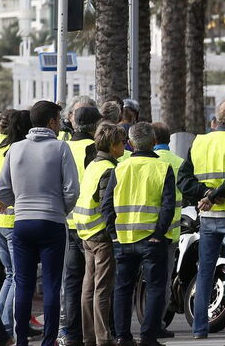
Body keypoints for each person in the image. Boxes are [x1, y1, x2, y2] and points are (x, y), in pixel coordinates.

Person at [0, 100, 79, 346]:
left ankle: (21, 340)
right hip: (52, 223)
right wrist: (59, 209)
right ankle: (48, 340)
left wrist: (18, 204)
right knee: (53, 284)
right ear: (52, 122)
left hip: (22, 223)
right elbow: (72, 190)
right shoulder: (60, 148)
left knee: (23, 283)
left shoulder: (15, 149)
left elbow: (2, 189)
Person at [177, 99, 225, 338]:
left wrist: (205, 194)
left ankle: (199, 328)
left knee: (205, 272)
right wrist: (215, 194)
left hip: (207, 215)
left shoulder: (199, 141)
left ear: (216, 119)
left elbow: (184, 180)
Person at [102, 122, 176, 346]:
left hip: (124, 240)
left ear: (131, 144)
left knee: (123, 288)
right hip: (151, 239)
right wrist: (159, 233)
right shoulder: (163, 168)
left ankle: (123, 336)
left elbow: (106, 206)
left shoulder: (119, 168)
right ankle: (148, 337)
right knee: (154, 288)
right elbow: (167, 206)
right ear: (154, 142)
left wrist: (114, 234)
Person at [75, 123, 125, 346]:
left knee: (89, 287)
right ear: (113, 146)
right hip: (101, 235)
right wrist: (113, 234)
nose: (125, 146)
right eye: (122, 142)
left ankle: (89, 337)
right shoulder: (109, 169)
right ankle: (103, 338)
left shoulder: (93, 165)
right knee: (102, 289)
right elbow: (107, 205)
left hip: (85, 232)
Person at [62, 106, 101, 346]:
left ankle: (72, 332)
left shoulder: (63, 147)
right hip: (91, 224)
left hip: (67, 222)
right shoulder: (94, 150)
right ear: (95, 126)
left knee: (72, 279)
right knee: (95, 282)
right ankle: (95, 333)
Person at [0, 109, 31, 336]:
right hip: (12, 218)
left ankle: (1, 324)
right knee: (17, 275)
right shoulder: (17, 152)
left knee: (10, 274)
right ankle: (7, 326)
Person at [151, 122, 184, 339]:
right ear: (168, 140)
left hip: (135, 231)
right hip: (170, 232)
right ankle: (157, 322)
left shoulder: (137, 161)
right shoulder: (179, 162)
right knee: (162, 281)